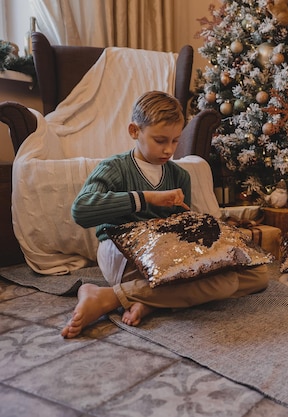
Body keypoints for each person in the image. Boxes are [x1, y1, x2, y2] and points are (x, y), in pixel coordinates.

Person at [62, 91, 269, 339]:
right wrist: (146, 198)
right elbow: (81, 210)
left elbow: (182, 233)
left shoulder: (179, 175)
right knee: (222, 283)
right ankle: (121, 296)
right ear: (134, 131)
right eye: (160, 140)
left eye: (175, 141)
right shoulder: (114, 168)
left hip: (167, 254)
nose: (169, 149)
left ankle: (135, 298)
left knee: (258, 275)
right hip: (123, 252)